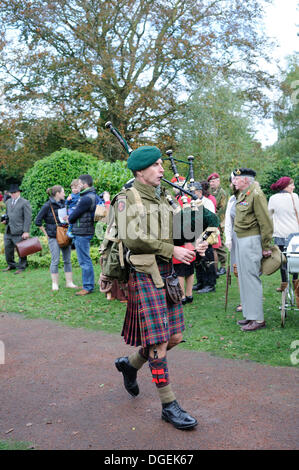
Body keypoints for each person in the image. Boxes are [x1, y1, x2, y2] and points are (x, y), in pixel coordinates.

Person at [114, 145, 208, 430]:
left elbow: (174, 233)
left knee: (175, 337)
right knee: (158, 343)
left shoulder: (162, 198)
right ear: (140, 171)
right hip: (145, 274)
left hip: (167, 273)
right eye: (156, 165)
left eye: (160, 164)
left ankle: (130, 364)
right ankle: (169, 405)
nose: (162, 169)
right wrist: (172, 251)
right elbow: (132, 238)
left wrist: (192, 245)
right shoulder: (125, 199)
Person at [233, 168, 273, 331]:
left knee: (251, 278)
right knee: (243, 278)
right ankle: (249, 315)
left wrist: (265, 245)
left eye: (237, 178)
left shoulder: (255, 194)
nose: (234, 181)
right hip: (242, 238)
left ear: (246, 180)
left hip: (251, 240)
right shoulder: (244, 194)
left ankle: (258, 318)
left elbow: (266, 222)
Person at [35, 185, 77, 291]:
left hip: (65, 235)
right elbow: (38, 221)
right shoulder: (47, 206)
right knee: (55, 260)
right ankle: (55, 284)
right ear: (57, 193)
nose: (64, 194)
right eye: (63, 192)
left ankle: (69, 282)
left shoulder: (65, 203)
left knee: (67, 260)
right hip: (53, 237)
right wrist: (46, 234)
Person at [268, 176, 299, 291]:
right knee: (296, 259)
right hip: (295, 235)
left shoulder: (273, 198)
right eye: (292, 185)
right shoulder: (295, 197)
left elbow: (269, 216)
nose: (294, 187)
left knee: (282, 260)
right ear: (286, 186)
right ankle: (296, 283)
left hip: (280, 234)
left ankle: (284, 284)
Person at [68, 174, 97, 296]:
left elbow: (74, 215)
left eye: (79, 183)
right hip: (85, 230)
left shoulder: (86, 198)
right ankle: (88, 283)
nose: (78, 185)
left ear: (84, 184)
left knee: (84, 260)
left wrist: (69, 218)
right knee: (85, 259)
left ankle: (88, 286)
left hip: (82, 232)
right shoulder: (92, 195)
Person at [192, 182, 217, 293]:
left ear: (199, 191)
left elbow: (211, 220)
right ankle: (201, 282)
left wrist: (204, 237)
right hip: (195, 233)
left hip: (206, 233)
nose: (191, 193)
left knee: (207, 259)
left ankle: (210, 284)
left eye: (193, 191)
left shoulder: (207, 202)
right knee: (197, 260)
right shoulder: (191, 202)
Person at [2, 184, 32, 274]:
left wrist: (26, 231)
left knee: (21, 249)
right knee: (8, 249)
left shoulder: (25, 202)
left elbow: (28, 217)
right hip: (8, 230)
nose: (13, 194)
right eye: (11, 193)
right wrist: (5, 221)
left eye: (14, 192)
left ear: (18, 192)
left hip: (19, 231)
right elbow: (7, 215)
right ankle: (11, 265)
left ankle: (22, 266)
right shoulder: (8, 202)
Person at [224, 174, 242, 311]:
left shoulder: (252, 196)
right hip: (236, 238)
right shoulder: (231, 199)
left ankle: (251, 301)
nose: (233, 184)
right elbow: (228, 221)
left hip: (249, 237)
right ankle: (243, 300)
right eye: (232, 182)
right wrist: (228, 238)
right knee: (238, 270)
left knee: (248, 271)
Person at [207, 172, 227, 276]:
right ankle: (214, 266)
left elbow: (222, 209)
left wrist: (216, 221)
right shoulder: (209, 191)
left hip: (219, 220)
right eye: (210, 181)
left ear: (218, 181)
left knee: (220, 244)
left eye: (214, 181)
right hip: (211, 220)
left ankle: (223, 266)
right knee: (212, 244)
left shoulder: (222, 192)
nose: (212, 183)